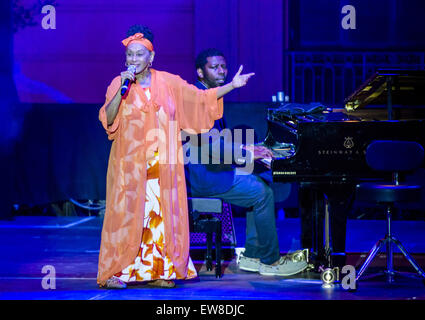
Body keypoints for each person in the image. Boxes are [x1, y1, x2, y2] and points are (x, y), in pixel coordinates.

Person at [97, 26, 255, 289]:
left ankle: (160, 270)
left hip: (164, 165)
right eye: (129, 55)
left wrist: (231, 86)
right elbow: (108, 118)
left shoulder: (168, 82)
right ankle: (118, 272)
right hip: (129, 166)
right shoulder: (118, 83)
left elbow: (200, 98)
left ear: (151, 58)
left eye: (139, 54)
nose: (134, 60)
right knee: (127, 219)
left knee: (160, 218)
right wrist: (121, 90)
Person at [183, 48, 309, 276]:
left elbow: (217, 141)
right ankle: (270, 261)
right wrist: (248, 153)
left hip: (214, 168)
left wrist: (251, 148)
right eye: (214, 67)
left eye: (223, 66)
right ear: (200, 72)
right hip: (205, 176)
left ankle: (252, 255)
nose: (221, 71)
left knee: (262, 179)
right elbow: (211, 147)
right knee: (262, 193)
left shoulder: (211, 97)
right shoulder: (197, 101)